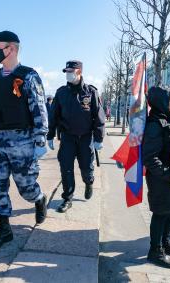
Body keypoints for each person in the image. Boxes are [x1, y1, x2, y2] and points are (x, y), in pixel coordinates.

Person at [0, 30, 48, 251]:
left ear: (12, 49)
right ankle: (4, 230)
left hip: (22, 141)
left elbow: (39, 108)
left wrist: (40, 139)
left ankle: (38, 198)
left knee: (25, 187)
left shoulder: (28, 76)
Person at [47, 60, 105, 213]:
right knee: (66, 168)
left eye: (70, 71)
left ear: (79, 72)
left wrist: (99, 138)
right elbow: (53, 115)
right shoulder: (61, 92)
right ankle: (67, 198)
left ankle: (89, 182)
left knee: (86, 168)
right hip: (67, 137)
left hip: (86, 137)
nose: (67, 74)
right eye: (66, 72)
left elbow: (99, 116)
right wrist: (50, 135)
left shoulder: (90, 92)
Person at [142, 86, 170, 269]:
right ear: (162, 102)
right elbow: (149, 158)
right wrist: (169, 173)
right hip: (161, 178)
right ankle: (155, 251)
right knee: (161, 213)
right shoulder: (155, 124)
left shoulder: (168, 120)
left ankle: (166, 242)